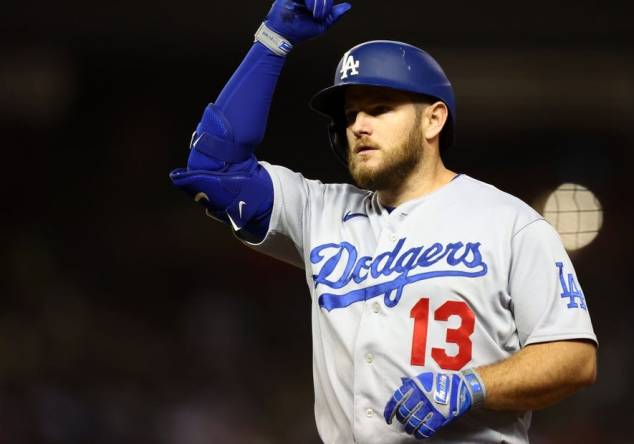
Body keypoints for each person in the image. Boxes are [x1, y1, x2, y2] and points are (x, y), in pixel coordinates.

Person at [170, 0, 598, 442]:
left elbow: (574, 358)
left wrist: (474, 385)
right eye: (351, 114)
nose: (358, 125)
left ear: (433, 119)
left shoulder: (509, 223)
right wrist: (272, 41)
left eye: (379, 109)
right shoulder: (320, 211)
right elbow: (215, 168)